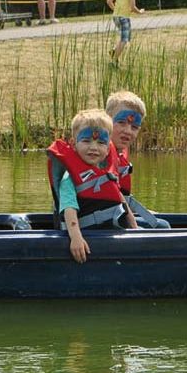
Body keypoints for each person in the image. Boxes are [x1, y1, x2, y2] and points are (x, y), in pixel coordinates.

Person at [46, 108, 137, 263]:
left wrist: (135, 230)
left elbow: (121, 201)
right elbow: (69, 209)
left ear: (108, 148)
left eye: (101, 142)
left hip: (112, 234)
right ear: (74, 144)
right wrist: (76, 239)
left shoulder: (105, 173)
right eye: (86, 141)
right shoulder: (69, 178)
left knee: (163, 226)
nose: (93, 147)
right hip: (88, 239)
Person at [105, 91, 168, 228]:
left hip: (113, 216)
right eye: (121, 123)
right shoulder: (99, 154)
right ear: (106, 121)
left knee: (161, 221)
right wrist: (135, 228)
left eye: (134, 127)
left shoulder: (117, 154)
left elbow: (122, 199)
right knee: (163, 227)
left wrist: (145, 213)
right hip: (100, 226)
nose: (128, 131)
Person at [105, 0, 145, 64]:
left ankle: (114, 51)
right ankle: (114, 60)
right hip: (124, 18)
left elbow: (109, 1)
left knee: (123, 36)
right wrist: (140, 12)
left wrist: (115, 9)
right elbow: (132, 7)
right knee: (124, 39)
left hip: (116, 17)